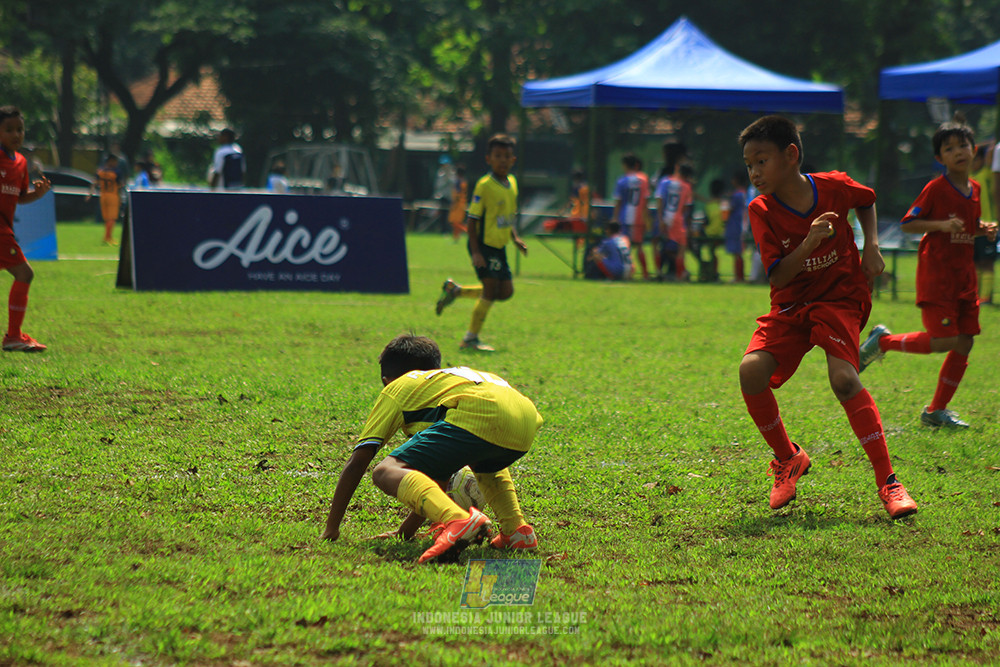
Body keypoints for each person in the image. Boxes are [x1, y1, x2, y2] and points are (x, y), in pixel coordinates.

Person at [737, 115, 917, 519]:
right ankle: (788, 458)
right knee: (750, 372)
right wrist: (808, 242)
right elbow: (780, 274)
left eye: (761, 161)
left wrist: (871, 245)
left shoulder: (834, 186)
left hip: (839, 296)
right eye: (749, 164)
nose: (754, 172)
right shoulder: (760, 209)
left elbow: (867, 199)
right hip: (791, 305)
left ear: (791, 155)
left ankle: (889, 482)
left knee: (844, 380)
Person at [321, 334, 542, 564]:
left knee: (385, 470)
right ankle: (516, 530)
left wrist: (331, 528)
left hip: (481, 413)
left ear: (388, 380)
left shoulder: (397, 387)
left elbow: (358, 462)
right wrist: (404, 533)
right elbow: (438, 474)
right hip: (524, 420)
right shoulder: (450, 380)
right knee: (482, 458)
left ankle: (457, 520)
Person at [859, 120, 998, 429]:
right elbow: (909, 224)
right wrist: (940, 225)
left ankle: (936, 410)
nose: (958, 152)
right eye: (949, 148)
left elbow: (964, 228)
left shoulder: (974, 188)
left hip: (964, 278)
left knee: (965, 342)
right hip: (938, 277)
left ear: (973, 150)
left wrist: (982, 230)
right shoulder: (935, 188)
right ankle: (883, 343)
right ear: (940, 159)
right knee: (944, 340)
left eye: (962, 145)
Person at [434, 134, 528, 352]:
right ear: (489, 159)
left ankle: (455, 291)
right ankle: (470, 338)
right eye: (498, 156)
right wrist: (476, 251)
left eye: (506, 156)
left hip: (500, 245)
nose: (502, 160)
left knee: (505, 292)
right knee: (490, 290)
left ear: (513, 160)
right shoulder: (484, 186)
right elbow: (473, 220)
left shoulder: (511, 183)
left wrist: (515, 239)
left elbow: (508, 216)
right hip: (484, 245)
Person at [0, 106, 51, 352]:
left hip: (5, 229)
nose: (16, 134)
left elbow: (20, 197)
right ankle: (13, 336)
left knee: (24, 274)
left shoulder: (20, 162)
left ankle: (14, 336)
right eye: (9, 130)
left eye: (19, 129)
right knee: (25, 274)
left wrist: (37, 194)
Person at [611, 153, 650, 280]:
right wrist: (647, 217)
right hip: (639, 217)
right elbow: (646, 200)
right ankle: (645, 273)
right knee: (639, 246)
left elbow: (618, 201)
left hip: (624, 217)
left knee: (625, 246)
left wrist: (615, 217)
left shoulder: (622, 180)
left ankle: (628, 272)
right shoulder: (643, 179)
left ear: (626, 165)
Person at [972, 143, 996, 304]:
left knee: (986, 263)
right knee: (973, 264)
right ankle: (976, 295)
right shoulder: (967, 177)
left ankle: (986, 297)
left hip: (988, 226)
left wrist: (992, 143)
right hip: (972, 228)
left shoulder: (986, 173)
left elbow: (991, 154)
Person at [88, 154, 122, 245]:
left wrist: (90, 194)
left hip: (103, 195)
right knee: (112, 218)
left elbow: (94, 182)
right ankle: (107, 237)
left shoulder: (100, 171)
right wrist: (121, 197)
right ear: (111, 161)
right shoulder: (116, 172)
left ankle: (107, 237)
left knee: (107, 218)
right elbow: (120, 185)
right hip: (112, 195)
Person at [698, 178, 728, 282]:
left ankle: (708, 273)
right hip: (721, 233)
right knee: (713, 254)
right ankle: (714, 273)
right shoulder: (724, 205)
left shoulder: (709, 205)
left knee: (709, 253)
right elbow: (725, 219)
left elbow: (705, 221)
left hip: (709, 234)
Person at [726, 169, 750, 283]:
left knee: (737, 252)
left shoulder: (736, 195)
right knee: (739, 251)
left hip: (736, 225)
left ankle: (738, 277)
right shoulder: (745, 192)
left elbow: (730, 209)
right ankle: (740, 276)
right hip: (742, 224)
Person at [448, 164, 468, 242]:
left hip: (457, 204)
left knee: (454, 222)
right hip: (462, 203)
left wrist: (454, 203)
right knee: (457, 222)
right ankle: (456, 237)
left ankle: (468, 231)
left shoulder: (458, 181)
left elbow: (457, 193)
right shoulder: (464, 181)